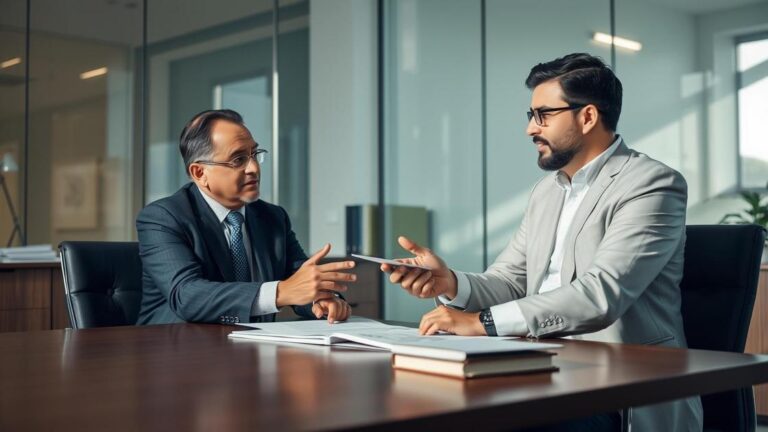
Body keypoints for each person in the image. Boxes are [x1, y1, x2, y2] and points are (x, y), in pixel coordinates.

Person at [381, 53, 703, 431]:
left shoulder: (651, 184)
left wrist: (481, 323)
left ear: (587, 117)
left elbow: (601, 294)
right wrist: (450, 283)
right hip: (538, 367)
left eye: (543, 115)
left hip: (617, 387)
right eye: (530, 116)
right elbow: (510, 280)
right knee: (418, 403)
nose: (531, 129)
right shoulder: (545, 192)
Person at [137, 109, 355, 325]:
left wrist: (322, 298)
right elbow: (186, 296)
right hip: (176, 349)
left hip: (253, 346)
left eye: (254, 154)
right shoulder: (162, 218)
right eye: (238, 159)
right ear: (200, 173)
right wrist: (280, 292)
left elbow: (299, 279)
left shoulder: (273, 217)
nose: (254, 168)